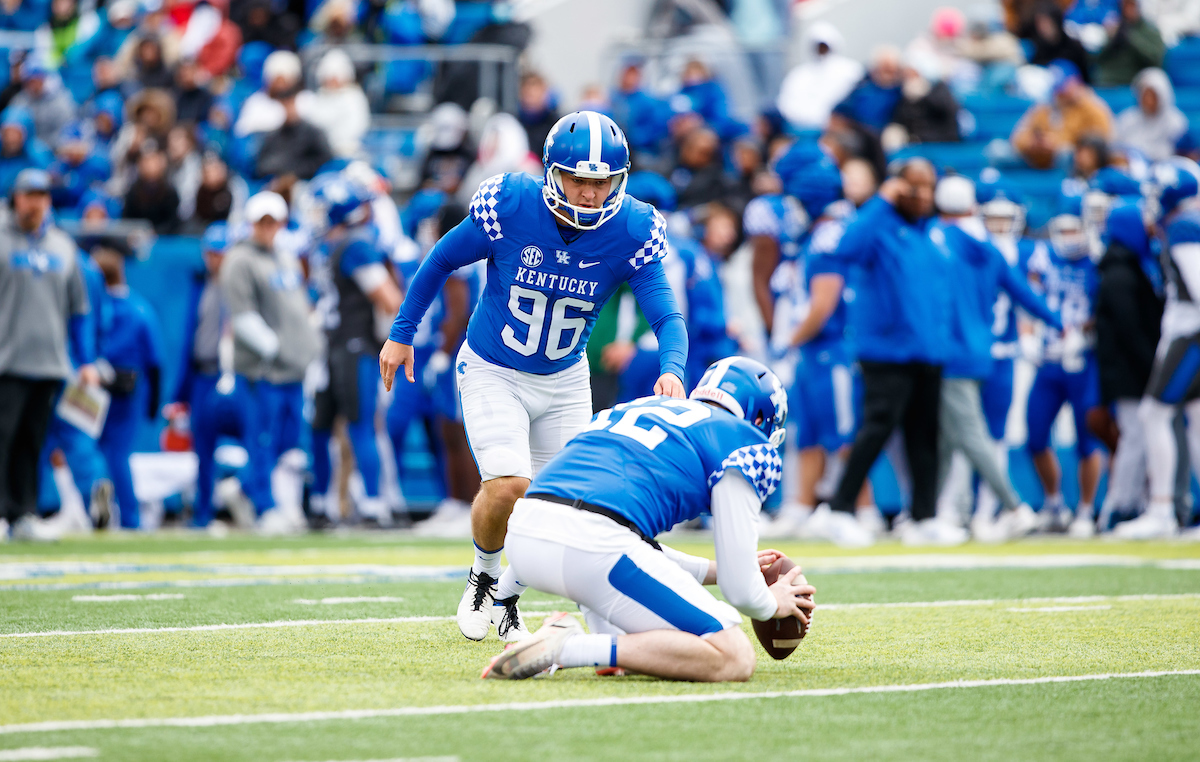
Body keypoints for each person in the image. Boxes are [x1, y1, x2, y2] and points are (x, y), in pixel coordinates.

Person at [379, 111, 688, 643]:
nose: (589, 193)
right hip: (494, 367)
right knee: (509, 484)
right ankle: (483, 570)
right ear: (552, 172)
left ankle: (508, 600)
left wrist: (673, 371)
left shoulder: (632, 228)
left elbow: (666, 315)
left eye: (601, 182)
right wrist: (402, 331)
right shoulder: (513, 204)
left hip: (566, 378)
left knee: (565, 507)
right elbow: (440, 260)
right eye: (578, 179)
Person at [482, 357, 814, 682]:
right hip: (593, 549)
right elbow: (741, 591)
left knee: (648, 635)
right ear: (759, 421)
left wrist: (715, 570)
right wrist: (772, 602)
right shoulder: (741, 441)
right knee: (733, 655)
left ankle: (602, 647)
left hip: (526, 538)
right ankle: (568, 648)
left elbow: (624, 539)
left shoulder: (637, 408)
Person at [820, 158, 956, 547]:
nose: (922, 194)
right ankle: (840, 508)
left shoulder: (932, 233)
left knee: (924, 436)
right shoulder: (879, 226)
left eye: (928, 186)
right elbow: (847, 248)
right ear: (897, 187)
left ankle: (924, 516)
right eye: (914, 186)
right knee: (875, 430)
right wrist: (881, 200)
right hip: (886, 351)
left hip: (927, 353)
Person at [930, 176, 1061, 542]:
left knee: (969, 435)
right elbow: (1023, 292)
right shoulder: (988, 247)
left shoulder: (937, 240)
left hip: (949, 351)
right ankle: (934, 512)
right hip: (983, 350)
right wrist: (1056, 321)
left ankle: (1013, 506)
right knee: (949, 436)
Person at [0, 168, 98, 541]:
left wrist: (86, 360)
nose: (37, 202)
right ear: (17, 198)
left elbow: (79, 310)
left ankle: (23, 513)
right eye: (30, 195)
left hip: (49, 364)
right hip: (6, 361)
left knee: (32, 443)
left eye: (43, 195)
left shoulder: (62, 246)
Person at [220, 191, 322, 530]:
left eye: (273, 221)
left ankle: (244, 487)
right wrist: (275, 348)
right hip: (263, 371)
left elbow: (299, 308)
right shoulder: (240, 260)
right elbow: (242, 316)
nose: (267, 228)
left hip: (293, 369)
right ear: (251, 224)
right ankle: (264, 506)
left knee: (287, 440)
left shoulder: (286, 257)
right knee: (261, 438)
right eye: (261, 222)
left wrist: (308, 347)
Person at [309, 176, 403, 526]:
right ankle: (335, 505)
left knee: (347, 426)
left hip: (348, 346)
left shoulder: (349, 245)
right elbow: (390, 298)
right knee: (337, 427)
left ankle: (370, 506)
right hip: (343, 346)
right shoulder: (345, 244)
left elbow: (389, 300)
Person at [1122, 159, 1200, 538]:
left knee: (1153, 415)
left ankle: (1161, 508)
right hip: (1190, 331)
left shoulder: (1185, 225)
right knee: (1197, 422)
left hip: (1192, 333)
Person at [1024, 204, 1104, 533]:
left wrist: (1085, 334)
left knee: (1088, 440)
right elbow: (1029, 296)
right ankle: (1054, 504)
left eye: (1075, 229)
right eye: (1064, 229)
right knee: (1036, 435)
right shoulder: (1042, 257)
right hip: (1050, 360)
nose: (1069, 237)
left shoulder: (1098, 259)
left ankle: (1085, 510)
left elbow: (1106, 304)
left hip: (1083, 361)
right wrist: (1027, 335)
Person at [1093, 200, 1163, 535]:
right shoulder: (1120, 273)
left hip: (1129, 369)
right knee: (1134, 436)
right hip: (1129, 372)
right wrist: (1153, 366)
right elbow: (1130, 328)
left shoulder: (1128, 266)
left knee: (1140, 435)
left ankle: (1134, 502)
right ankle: (1120, 506)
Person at [90, 242, 164, 531]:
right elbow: (155, 361)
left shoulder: (95, 309)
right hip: (127, 391)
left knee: (90, 450)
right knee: (118, 454)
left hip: (93, 387)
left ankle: (91, 506)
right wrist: (153, 404)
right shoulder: (139, 309)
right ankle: (130, 518)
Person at [171, 223, 234, 528]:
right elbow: (190, 339)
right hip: (203, 374)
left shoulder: (239, 286)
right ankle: (203, 512)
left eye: (220, 253)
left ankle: (249, 500)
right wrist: (181, 391)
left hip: (232, 375)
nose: (215, 259)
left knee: (255, 438)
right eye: (211, 253)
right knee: (203, 447)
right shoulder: (201, 286)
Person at [1011, 60, 1114, 169]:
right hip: (1038, 157)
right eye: (1056, 89)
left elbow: (1100, 143)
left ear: (1076, 82)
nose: (1060, 93)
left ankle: (1066, 185)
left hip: (1071, 159)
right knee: (998, 151)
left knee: (1066, 154)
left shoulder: (1094, 107)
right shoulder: (1044, 106)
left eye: (1062, 88)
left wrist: (1056, 143)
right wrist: (1033, 144)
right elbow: (1018, 136)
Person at [776, 22, 864, 130]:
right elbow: (786, 103)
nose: (821, 50)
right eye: (818, 46)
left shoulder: (851, 71)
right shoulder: (799, 74)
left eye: (824, 46)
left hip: (837, 127)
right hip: (800, 128)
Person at [1115, 67, 1189, 162]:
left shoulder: (1176, 122)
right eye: (1145, 95)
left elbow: (1181, 155)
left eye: (1153, 95)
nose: (1148, 100)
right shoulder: (1127, 119)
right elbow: (1117, 148)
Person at [1095, 0, 1166, 87]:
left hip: (1138, 78)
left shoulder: (1151, 30)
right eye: (1125, 5)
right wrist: (1112, 37)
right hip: (1112, 79)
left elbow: (1155, 59)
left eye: (1131, 5)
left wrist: (1130, 36)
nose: (1128, 10)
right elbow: (1098, 59)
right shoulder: (1115, 28)